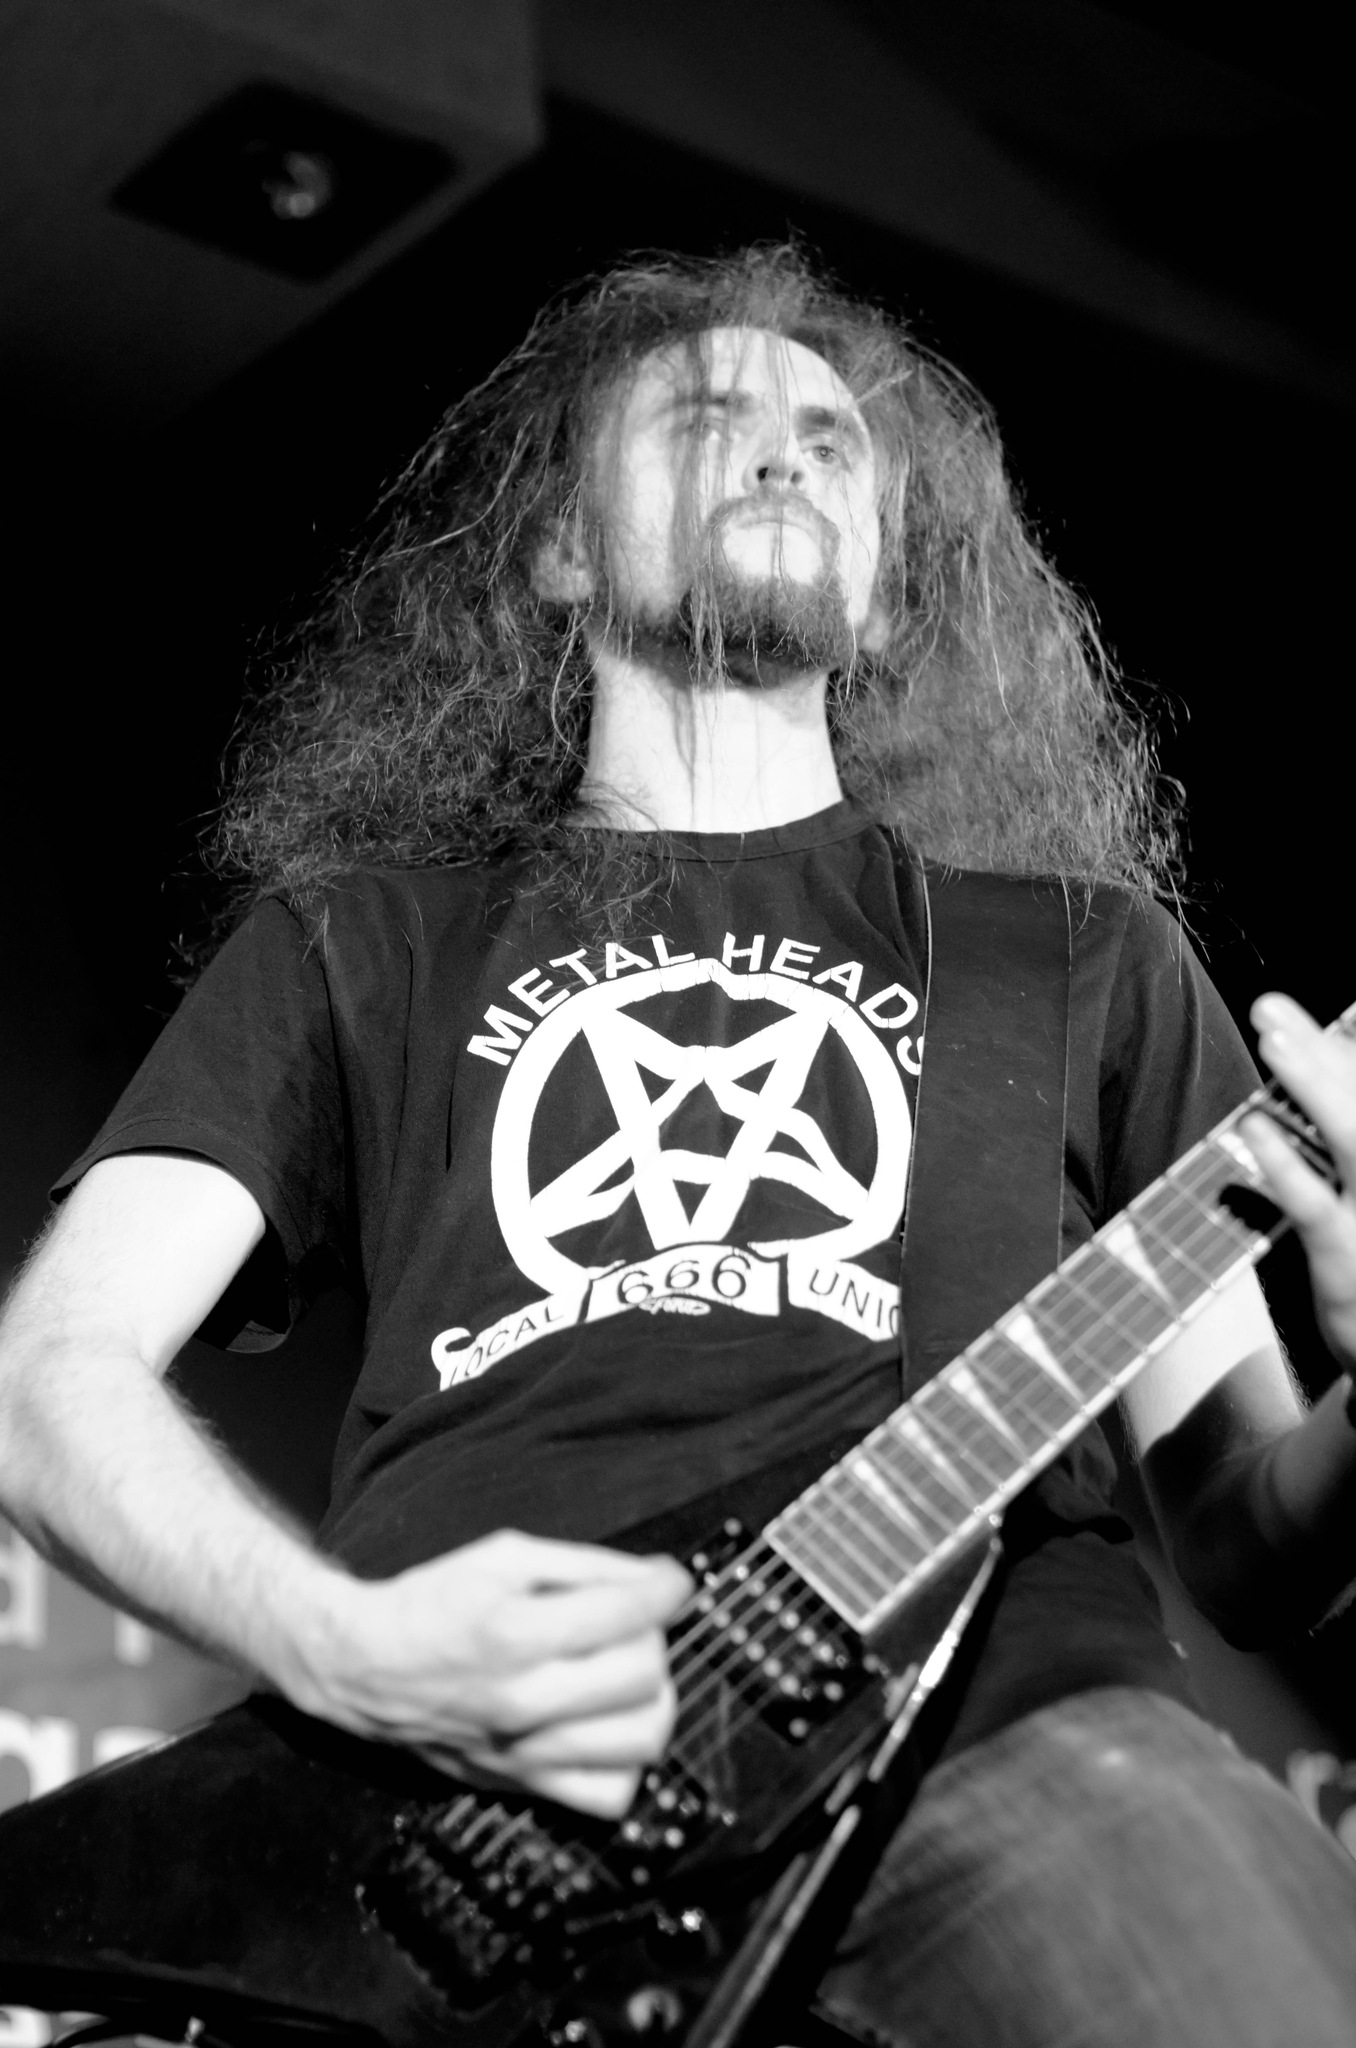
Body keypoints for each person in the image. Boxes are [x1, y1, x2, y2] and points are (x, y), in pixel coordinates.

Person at [2, 245, 1356, 2044]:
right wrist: (336, 1644)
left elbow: (1256, 1540)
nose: (788, 449)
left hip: (1013, 1737)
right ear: (561, 551)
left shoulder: (1082, 955)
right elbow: (47, 1374)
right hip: (446, 1823)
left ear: (883, 590)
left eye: (834, 441)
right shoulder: (364, 937)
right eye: (712, 416)